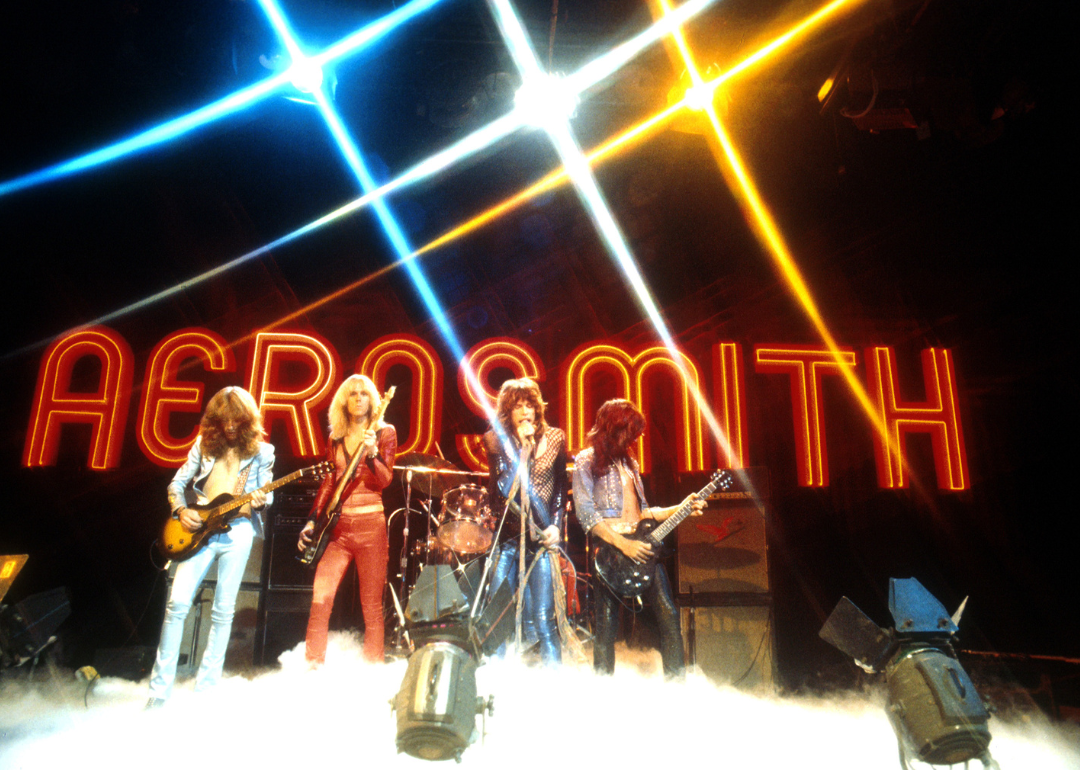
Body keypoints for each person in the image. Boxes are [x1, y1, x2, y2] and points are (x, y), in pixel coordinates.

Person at [148, 387, 274, 706]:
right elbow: (176, 484)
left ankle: (205, 690)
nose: (230, 425)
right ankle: (158, 693)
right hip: (200, 529)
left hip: (239, 531)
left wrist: (261, 500)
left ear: (246, 419)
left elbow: (266, 494)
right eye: (223, 419)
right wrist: (181, 510)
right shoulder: (203, 446)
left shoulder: (262, 451)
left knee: (223, 611)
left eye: (236, 419)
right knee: (176, 605)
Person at [572, 398, 703, 678]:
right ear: (612, 427)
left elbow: (643, 512)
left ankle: (677, 685)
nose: (633, 439)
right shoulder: (586, 460)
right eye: (628, 432)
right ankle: (602, 690)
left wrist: (681, 508)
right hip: (610, 552)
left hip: (641, 548)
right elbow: (585, 514)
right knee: (607, 626)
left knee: (668, 615)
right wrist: (624, 545)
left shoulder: (630, 462)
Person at [298, 374, 396, 664]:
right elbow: (330, 482)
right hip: (338, 531)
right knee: (320, 600)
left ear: (372, 399)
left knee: (371, 607)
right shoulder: (335, 437)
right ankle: (312, 668)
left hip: (371, 528)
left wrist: (372, 453)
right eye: (352, 393)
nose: (358, 398)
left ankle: (372, 672)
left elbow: (385, 480)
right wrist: (313, 520)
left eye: (363, 393)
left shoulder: (384, 431)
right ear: (344, 400)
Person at [482, 378, 568, 666]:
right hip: (507, 539)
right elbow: (502, 492)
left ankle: (554, 686)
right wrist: (522, 451)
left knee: (544, 617)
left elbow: (559, 488)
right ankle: (494, 687)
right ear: (508, 412)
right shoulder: (495, 440)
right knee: (499, 616)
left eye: (530, 405)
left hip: (542, 539)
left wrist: (556, 524)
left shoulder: (556, 437)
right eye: (518, 406)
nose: (525, 411)